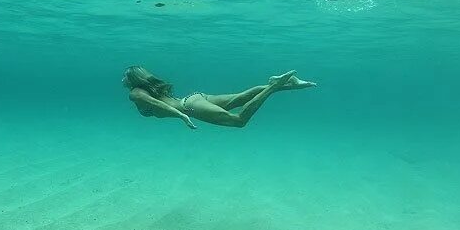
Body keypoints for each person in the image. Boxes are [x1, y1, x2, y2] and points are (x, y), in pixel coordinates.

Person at [122, 66, 315, 129]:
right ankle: (291, 84)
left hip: (189, 108)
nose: (122, 79)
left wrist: (182, 117)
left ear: (133, 80)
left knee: (239, 121)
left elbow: (157, 104)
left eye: (125, 76)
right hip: (194, 98)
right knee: (240, 97)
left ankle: (274, 86)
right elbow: (159, 101)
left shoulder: (135, 93)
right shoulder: (150, 89)